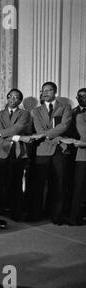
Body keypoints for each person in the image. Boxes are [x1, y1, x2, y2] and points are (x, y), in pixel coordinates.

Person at [0, 89, 32, 221]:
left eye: (16, 98)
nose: (12, 99)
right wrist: (18, 137)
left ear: (20, 101)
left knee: (16, 183)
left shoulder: (25, 113)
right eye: (10, 97)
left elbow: (18, 127)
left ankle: (15, 213)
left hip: (18, 152)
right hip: (1, 150)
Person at [29, 82, 72, 224]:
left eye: (49, 90)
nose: (46, 93)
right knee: (38, 183)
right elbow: (39, 129)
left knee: (58, 183)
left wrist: (47, 135)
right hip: (42, 150)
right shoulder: (36, 110)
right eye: (44, 91)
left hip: (59, 150)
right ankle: (35, 215)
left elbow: (64, 126)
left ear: (55, 92)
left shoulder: (65, 107)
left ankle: (56, 216)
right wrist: (56, 137)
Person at [61, 88, 86, 225]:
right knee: (72, 184)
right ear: (76, 98)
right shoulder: (71, 112)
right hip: (71, 152)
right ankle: (72, 215)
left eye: (85, 96)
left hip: (82, 149)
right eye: (80, 96)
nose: (82, 98)